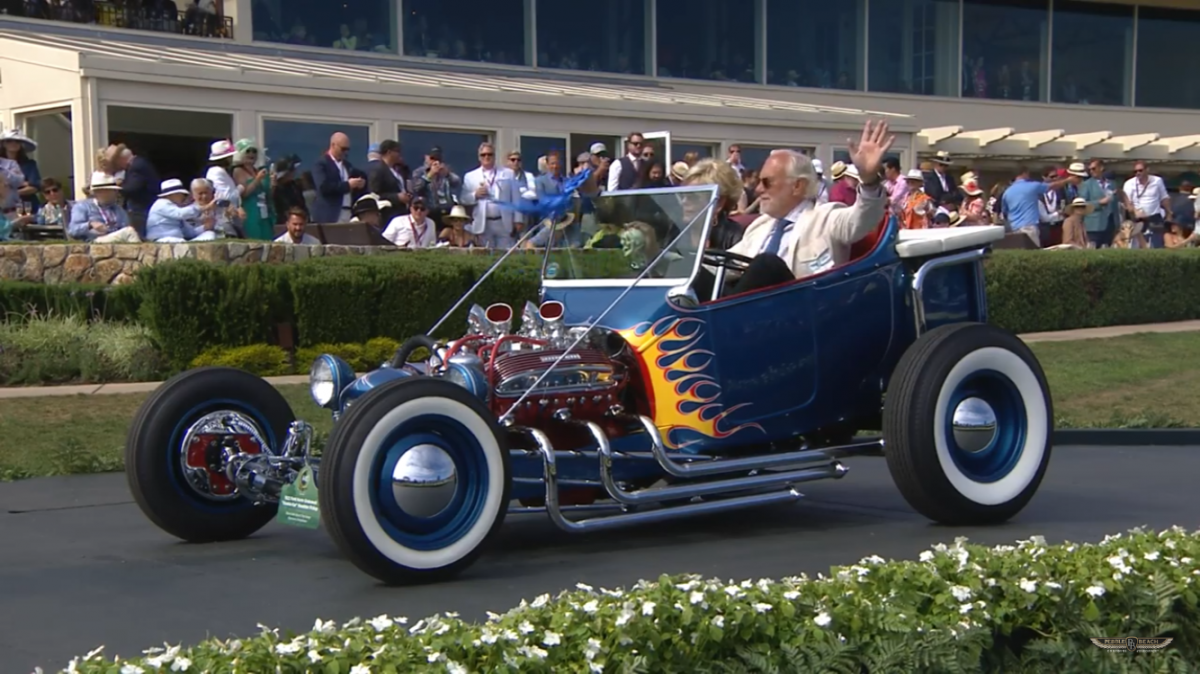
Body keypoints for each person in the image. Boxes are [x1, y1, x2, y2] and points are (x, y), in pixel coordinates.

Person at [694, 119, 893, 300]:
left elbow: (864, 218)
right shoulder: (761, 226)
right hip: (757, 317)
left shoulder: (826, 217)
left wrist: (868, 181)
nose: (758, 189)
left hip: (807, 312)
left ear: (797, 186)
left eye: (767, 182)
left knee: (766, 264)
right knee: (694, 270)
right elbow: (725, 264)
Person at [146, 179, 219, 242]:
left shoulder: (175, 207)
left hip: (179, 239)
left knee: (210, 235)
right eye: (181, 194)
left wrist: (205, 227)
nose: (183, 197)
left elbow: (190, 232)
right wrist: (205, 207)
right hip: (161, 238)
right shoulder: (161, 203)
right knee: (180, 242)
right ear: (173, 195)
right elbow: (180, 214)